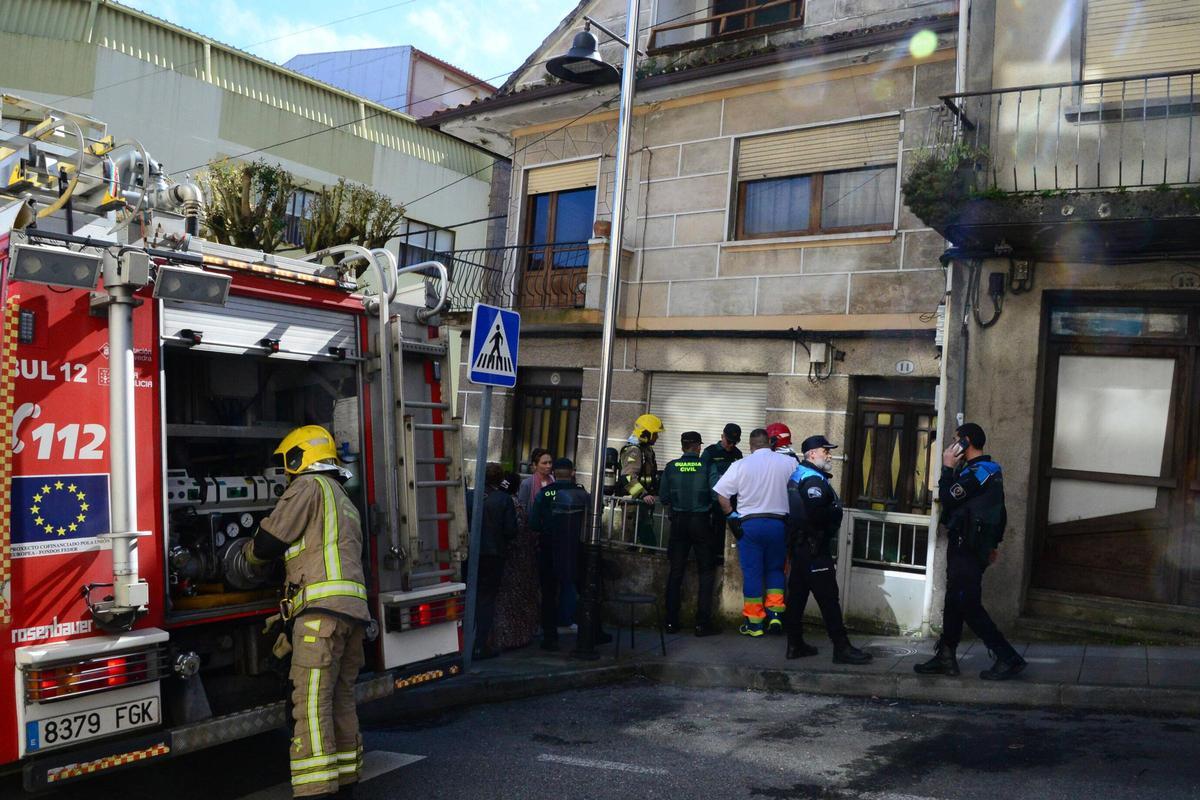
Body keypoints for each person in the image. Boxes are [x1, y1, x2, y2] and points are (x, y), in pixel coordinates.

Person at [246, 425, 369, 800]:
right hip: (351, 614)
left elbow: (270, 541)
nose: (286, 472)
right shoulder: (343, 497)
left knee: (311, 703)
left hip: (321, 615)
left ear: (301, 458)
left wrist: (249, 558)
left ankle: (316, 790)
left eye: (288, 463)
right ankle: (346, 781)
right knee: (340, 698)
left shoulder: (307, 487)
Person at [914, 422, 1027, 681]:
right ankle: (945, 656)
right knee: (954, 601)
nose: (952, 446)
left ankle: (1007, 657)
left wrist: (946, 466)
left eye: (956, 440)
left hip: (968, 547)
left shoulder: (979, 472)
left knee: (967, 603)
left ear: (966, 442)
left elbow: (948, 496)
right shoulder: (985, 471)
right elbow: (999, 511)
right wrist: (994, 545)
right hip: (971, 546)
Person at [784, 435, 873, 665]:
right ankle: (841, 648)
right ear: (812, 454)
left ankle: (795, 645)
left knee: (797, 597)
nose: (829, 454)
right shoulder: (813, 480)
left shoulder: (799, 474)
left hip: (801, 547)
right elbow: (816, 513)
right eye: (825, 450)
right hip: (814, 548)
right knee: (829, 599)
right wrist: (835, 512)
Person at [713, 428, 796, 637]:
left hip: (749, 525)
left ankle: (755, 623)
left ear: (751, 445)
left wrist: (731, 516)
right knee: (776, 570)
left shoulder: (740, 465)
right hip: (779, 524)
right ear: (769, 442)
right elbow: (798, 490)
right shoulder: (788, 463)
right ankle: (776, 615)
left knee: (752, 573)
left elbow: (721, 495)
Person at [660, 431, 719, 637]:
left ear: (683, 446)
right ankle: (702, 624)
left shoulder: (670, 467)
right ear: (697, 447)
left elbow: (664, 496)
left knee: (676, 571)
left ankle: (670, 622)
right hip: (701, 522)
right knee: (706, 572)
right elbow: (716, 493)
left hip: (678, 522)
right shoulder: (706, 466)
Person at [529, 458, 590, 652]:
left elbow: (533, 523)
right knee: (583, 590)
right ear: (572, 472)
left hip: (550, 547)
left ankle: (550, 637)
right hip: (576, 548)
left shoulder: (545, 493)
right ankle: (585, 636)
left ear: (554, 472)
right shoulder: (581, 493)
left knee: (548, 593)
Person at [468, 463, 518, 660]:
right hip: (493, 554)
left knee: (470, 597)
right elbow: (511, 530)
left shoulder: (469, 496)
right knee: (486, 599)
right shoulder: (504, 500)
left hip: (471, 552)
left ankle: (466, 642)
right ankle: (480, 645)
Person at [490, 471, 540, 651]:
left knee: (505, 600)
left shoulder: (494, 501)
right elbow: (517, 530)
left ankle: (503, 636)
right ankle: (515, 637)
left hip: (507, 556)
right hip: (519, 558)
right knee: (517, 600)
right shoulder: (515, 505)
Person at [700, 423, 742, 563]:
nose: (731, 445)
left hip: (732, 503)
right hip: (713, 503)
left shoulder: (737, 454)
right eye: (729, 441)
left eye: (734, 442)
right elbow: (701, 477)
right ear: (722, 436)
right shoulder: (710, 452)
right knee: (712, 536)